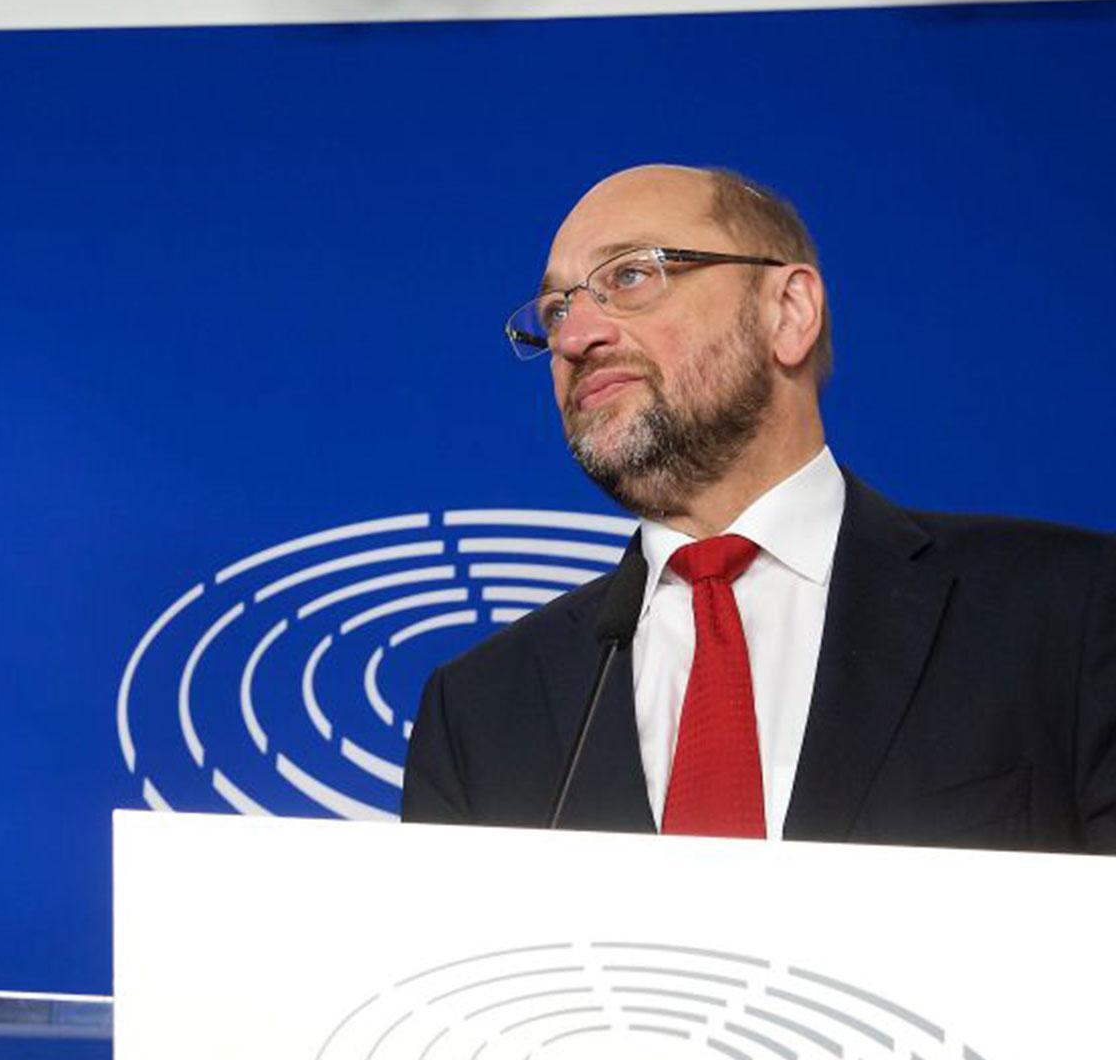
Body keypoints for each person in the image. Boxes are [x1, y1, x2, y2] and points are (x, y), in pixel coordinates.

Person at [402, 163, 1116, 851]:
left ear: (789, 311)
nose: (576, 337)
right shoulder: (479, 713)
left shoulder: (1070, 613)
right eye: (557, 310)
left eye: (631, 275)